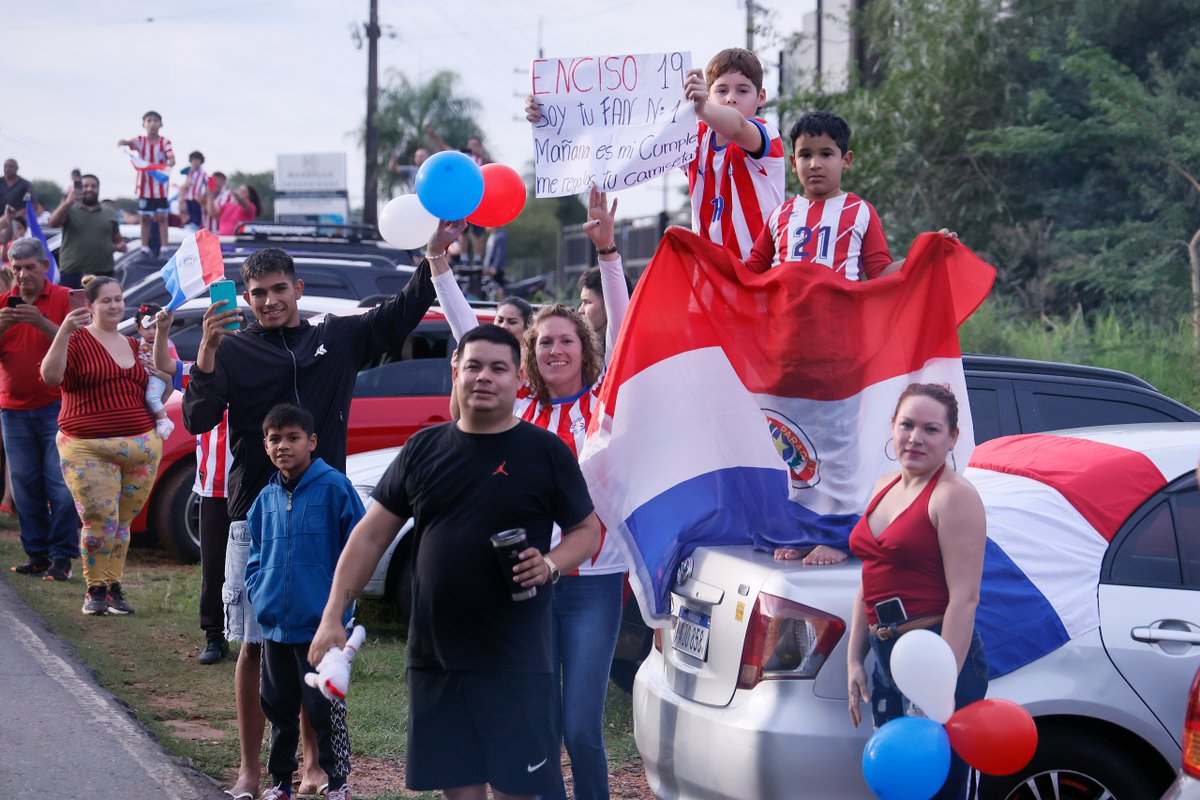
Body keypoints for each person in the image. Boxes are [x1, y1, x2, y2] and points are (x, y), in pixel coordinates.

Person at [182, 238, 440, 799]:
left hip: (323, 520)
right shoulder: (232, 348)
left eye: (279, 289)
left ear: (297, 288)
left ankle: (314, 763)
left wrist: (433, 257)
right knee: (255, 645)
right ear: (245, 299)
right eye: (258, 294)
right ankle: (251, 769)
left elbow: (400, 312)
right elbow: (199, 418)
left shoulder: (336, 337)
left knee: (314, 642)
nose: (270, 301)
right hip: (254, 518)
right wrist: (205, 351)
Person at [310, 323, 602, 800]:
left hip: (516, 660)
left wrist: (550, 564)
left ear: (518, 376)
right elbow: (368, 538)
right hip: (436, 658)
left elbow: (587, 531)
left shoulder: (544, 452)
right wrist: (331, 616)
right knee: (459, 792)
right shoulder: (423, 449)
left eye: (498, 368)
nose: (484, 377)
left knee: (517, 791)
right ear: (456, 372)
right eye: (474, 366)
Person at [434, 187, 630, 800]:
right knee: (537, 722)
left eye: (565, 341)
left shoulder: (609, 404)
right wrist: (439, 266)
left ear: (584, 349)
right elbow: (470, 333)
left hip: (596, 582)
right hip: (525, 583)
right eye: (543, 343)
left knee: (580, 726)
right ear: (530, 356)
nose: (553, 350)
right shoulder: (516, 413)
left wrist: (608, 253)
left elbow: (626, 328)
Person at [845, 383, 988, 800]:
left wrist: (939, 687)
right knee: (897, 784)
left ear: (952, 437)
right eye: (907, 425)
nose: (915, 438)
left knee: (940, 788)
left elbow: (965, 599)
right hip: (886, 653)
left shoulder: (954, 497)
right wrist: (856, 657)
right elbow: (868, 578)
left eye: (931, 429)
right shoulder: (882, 486)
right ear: (892, 427)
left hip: (936, 654)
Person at [246, 403, 362, 800]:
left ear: (311, 441)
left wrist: (341, 609)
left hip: (321, 628)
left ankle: (338, 783)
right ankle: (280, 783)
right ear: (265, 445)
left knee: (325, 709)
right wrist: (259, 591)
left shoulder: (336, 488)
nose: (283, 446)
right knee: (278, 709)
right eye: (275, 439)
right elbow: (256, 556)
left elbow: (358, 549)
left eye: (293, 438)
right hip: (276, 626)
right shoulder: (265, 498)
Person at [40, 276, 166, 615]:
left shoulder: (132, 343)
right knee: (99, 519)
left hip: (141, 445)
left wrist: (162, 375)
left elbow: (157, 392)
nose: (114, 306)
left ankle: (113, 586)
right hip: (88, 446)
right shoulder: (77, 339)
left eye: (118, 299)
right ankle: (94, 590)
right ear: (90, 306)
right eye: (106, 300)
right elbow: (50, 377)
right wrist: (63, 331)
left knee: (122, 523)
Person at [0, 239, 78, 581]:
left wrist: (41, 321)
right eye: (16, 268)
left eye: (30, 267)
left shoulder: (62, 298)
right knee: (23, 486)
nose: (23, 274)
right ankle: (37, 555)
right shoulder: (4, 304)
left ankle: (62, 557)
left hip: (55, 405)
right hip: (12, 409)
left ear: (44, 266)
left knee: (60, 485)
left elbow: (80, 345)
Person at [745, 111, 894, 278]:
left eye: (826, 154)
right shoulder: (779, 214)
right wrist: (711, 259)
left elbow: (881, 273)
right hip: (782, 305)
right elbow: (751, 270)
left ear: (846, 160)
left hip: (842, 305)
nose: (814, 164)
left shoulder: (862, 212)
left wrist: (924, 255)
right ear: (794, 163)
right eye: (805, 155)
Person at [49, 173, 127, 289]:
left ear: (98, 189)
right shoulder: (70, 208)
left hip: (103, 273)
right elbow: (53, 223)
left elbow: (118, 239)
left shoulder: (109, 212)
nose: (89, 189)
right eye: (85, 186)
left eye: (93, 186)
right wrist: (68, 202)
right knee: (73, 307)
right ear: (79, 188)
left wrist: (120, 246)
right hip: (72, 273)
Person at [118, 110, 176, 256]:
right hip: (144, 187)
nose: (152, 123)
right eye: (149, 120)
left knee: (162, 217)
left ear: (161, 124)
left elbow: (171, 157)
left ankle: (164, 247)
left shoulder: (165, 142)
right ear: (143, 124)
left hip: (160, 186)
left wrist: (170, 162)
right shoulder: (140, 140)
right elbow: (130, 143)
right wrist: (124, 142)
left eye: (155, 120)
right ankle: (144, 247)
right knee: (144, 217)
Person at [133, 303, 178, 438]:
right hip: (142, 378)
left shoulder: (166, 343)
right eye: (147, 328)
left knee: (152, 397)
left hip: (157, 377)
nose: (152, 332)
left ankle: (163, 419)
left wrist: (164, 374)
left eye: (155, 327)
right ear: (139, 329)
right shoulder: (135, 344)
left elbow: (176, 366)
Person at [180, 151, 209, 231]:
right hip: (188, 196)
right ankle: (189, 225)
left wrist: (205, 195)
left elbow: (208, 184)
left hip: (197, 197)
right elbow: (181, 171)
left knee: (197, 212)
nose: (195, 162)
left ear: (201, 161)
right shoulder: (189, 171)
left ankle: (195, 226)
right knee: (189, 212)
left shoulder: (203, 173)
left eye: (197, 160)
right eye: (193, 160)